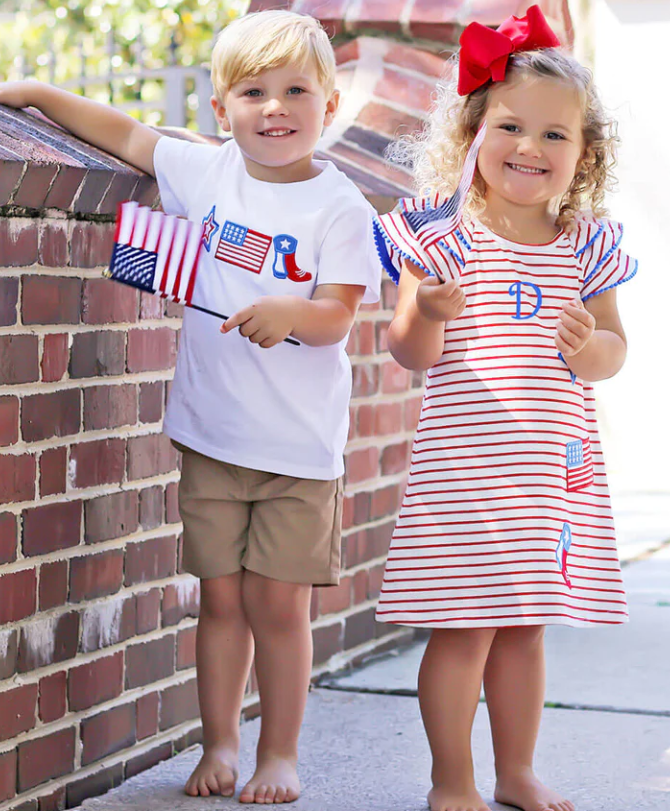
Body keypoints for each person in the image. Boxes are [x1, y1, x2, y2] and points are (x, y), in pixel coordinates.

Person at [0, 9, 380, 805]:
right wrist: (36, 93)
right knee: (221, 596)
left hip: (295, 450)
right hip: (211, 434)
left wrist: (292, 313)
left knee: (277, 604)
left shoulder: (338, 207)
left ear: (330, 106)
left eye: (294, 91)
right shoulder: (209, 177)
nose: (274, 108)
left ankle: (279, 751)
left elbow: (340, 313)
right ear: (222, 110)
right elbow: (126, 133)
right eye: (253, 92)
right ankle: (219, 741)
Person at [372, 6, 637, 811]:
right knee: (464, 629)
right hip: (464, 475)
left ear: (584, 154)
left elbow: (614, 356)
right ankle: (451, 779)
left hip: (548, 474)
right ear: (471, 136)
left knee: (524, 630)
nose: (531, 147)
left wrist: (586, 344)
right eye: (511, 126)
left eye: (556, 135)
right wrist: (429, 313)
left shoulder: (588, 245)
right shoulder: (440, 241)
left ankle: (516, 770)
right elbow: (407, 352)